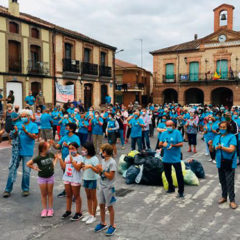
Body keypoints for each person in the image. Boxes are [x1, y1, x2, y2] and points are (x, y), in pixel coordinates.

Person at [3, 109, 38, 197]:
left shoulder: (33, 125)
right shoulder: (18, 124)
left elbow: (34, 137)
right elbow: (12, 136)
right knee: (12, 170)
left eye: (25, 116)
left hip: (27, 151)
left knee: (26, 171)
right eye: (21, 116)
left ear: (29, 117)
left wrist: (25, 131)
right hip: (16, 151)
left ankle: (25, 189)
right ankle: (7, 189)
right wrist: (14, 132)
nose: (23, 118)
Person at [209, 121, 238, 209]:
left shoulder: (232, 137)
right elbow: (212, 150)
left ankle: (232, 200)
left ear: (228, 128)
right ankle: (224, 196)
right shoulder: (217, 137)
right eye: (221, 127)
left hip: (229, 163)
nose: (222, 129)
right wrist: (210, 145)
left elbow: (231, 149)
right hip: (219, 162)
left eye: (224, 127)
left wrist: (222, 147)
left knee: (230, 182)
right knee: (222, 181)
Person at [27, 142, 58, 217]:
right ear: (43, 149)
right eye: (48, 147)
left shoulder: (50, 154)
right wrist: (34, 168)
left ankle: (50, 209)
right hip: (42, 178)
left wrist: (54, 163)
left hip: (50, 177)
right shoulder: (38, 158)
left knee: (50, 193)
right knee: (44, 194)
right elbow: (28, 163)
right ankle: (44, 209)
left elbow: (55, 157)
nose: (49, 149)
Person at [50, 123, 80, 198]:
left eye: (67, 128)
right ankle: (67, 190)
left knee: (73, 175)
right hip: (64, 158)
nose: (65, 129)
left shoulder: (75, 138)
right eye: (65, 127)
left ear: (71, 129)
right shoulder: (64, 137)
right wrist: (53, 143)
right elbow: (58, 146)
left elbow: (77, 147)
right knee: (66, 174)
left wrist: (68, 146)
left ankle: (74, 193)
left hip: (72, 159)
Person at [57, 142, 85, 220]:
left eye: (72, 148)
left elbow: (78, 168)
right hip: (67, 178)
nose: (71, 150)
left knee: (76, 196)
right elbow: (63, 167)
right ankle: (68, 211)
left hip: (75, 179)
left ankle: (78, 212)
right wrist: (60, 159)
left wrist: (72, 160)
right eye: (69, 149)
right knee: (68, 195)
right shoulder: (67, 157)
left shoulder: (80, 158)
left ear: (76, 149)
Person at [95, 144, 117, 236]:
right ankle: (103, 222)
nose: (101, 153)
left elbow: (111, 176)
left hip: (109, 187)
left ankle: (112, 225)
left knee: (110, 207)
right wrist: (99, 170)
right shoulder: (103, 160)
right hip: (101, 185)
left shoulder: (112, 162)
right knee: (101, 205)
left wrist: (102, 170)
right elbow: (101, 175)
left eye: (102, 151)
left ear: (106, 152)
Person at [159, 120, 184, 198]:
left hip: (176, 158)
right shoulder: (163, 133)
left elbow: (181, 144)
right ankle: (171, 187)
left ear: (174, 126)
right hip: (166, 158)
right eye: (167, 125)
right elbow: (160, 144)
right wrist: (162, 144)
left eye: (170, 125)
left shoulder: (177, 133)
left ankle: (181, 191)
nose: (169, 127)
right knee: (167, 174)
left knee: (179, 175)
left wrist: (172, 145)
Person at [81, 142, 99, 225]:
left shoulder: (94, 159)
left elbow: (98, 171)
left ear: (89, 149)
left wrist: (91, 166)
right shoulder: (84, 158)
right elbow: (81, 166)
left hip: (92, 179)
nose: (83, 151)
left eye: (84, 149)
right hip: (85, 179)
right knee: (88, 197)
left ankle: (93, 215)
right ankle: (89, 213)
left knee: (93, 197)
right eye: (82, 149)